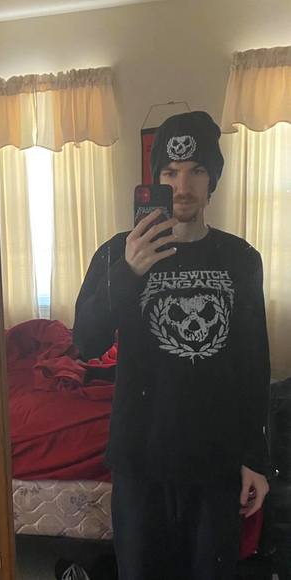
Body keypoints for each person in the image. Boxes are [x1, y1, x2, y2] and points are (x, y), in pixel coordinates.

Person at [73, 111, 271, 580]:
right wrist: (128, 272)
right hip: (141, 458)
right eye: (170, 172)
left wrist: (256, 459)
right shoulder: (117, 252)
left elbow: (253, 365)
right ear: (155, 181)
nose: (183, 186)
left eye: (196, 170)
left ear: (213, 179)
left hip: (215, 459)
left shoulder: (241, 259)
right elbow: (85, 341)